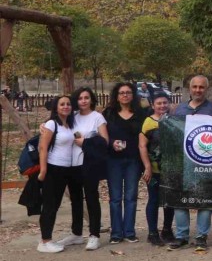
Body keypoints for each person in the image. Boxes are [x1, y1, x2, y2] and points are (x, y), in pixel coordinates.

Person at [169, 75, 212, 252]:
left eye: (201, 87)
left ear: (206, 89)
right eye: (195, 87)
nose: (198, 90)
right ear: (189, 88)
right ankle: (181, 236)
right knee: (180, 199)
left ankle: (201, 236)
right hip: (183, 160)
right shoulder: (179, 109)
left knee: (204, 199)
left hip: (207, 162)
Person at [54, 87, 109, 251]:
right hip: (72, 163)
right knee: (76, 200)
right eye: (80, 98)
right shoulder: (72, 117)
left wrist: (85, 143)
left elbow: (104, 141)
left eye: (86, 98)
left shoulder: (97, 117)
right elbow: (57, 128)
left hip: (89, 163)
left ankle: (94, 235)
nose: (83, 101)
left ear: (91, 99)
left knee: (91, 198)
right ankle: (76, 233)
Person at [104, 82, 146, 245]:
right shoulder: (109, 113)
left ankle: (129, 232)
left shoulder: (140, 113)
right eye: (121, 93)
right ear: (116, 95)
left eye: (128, 92)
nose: (125, 95)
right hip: (113, 160)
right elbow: (102, 135)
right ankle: (116, 233)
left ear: (133, 95)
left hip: (133, 160)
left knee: (131, 197)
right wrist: (111, 143)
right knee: (115, 198)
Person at [36, 95, 78, 253]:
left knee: (55, 205)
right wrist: (43, 169)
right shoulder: (51, 124)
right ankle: (44, 241)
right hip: (53, 169)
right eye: (62, 104)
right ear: (56, 107)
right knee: (49, 206)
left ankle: (47, 238)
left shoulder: (69, 124)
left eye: (68, 104)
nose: (66, 106)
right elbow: (43, 147)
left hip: (66, 169)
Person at [138, 91, 175, 246]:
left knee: (170, 201)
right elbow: (142, 145)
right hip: (154, 170)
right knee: (153, 200)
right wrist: (147, 167)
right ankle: (152, 233)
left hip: (171, 170)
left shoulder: (173, 121)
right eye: (159, 103)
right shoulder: (148, 122)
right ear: (153, 105)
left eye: (165, 103)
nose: (162, 106)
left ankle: (167, 230)